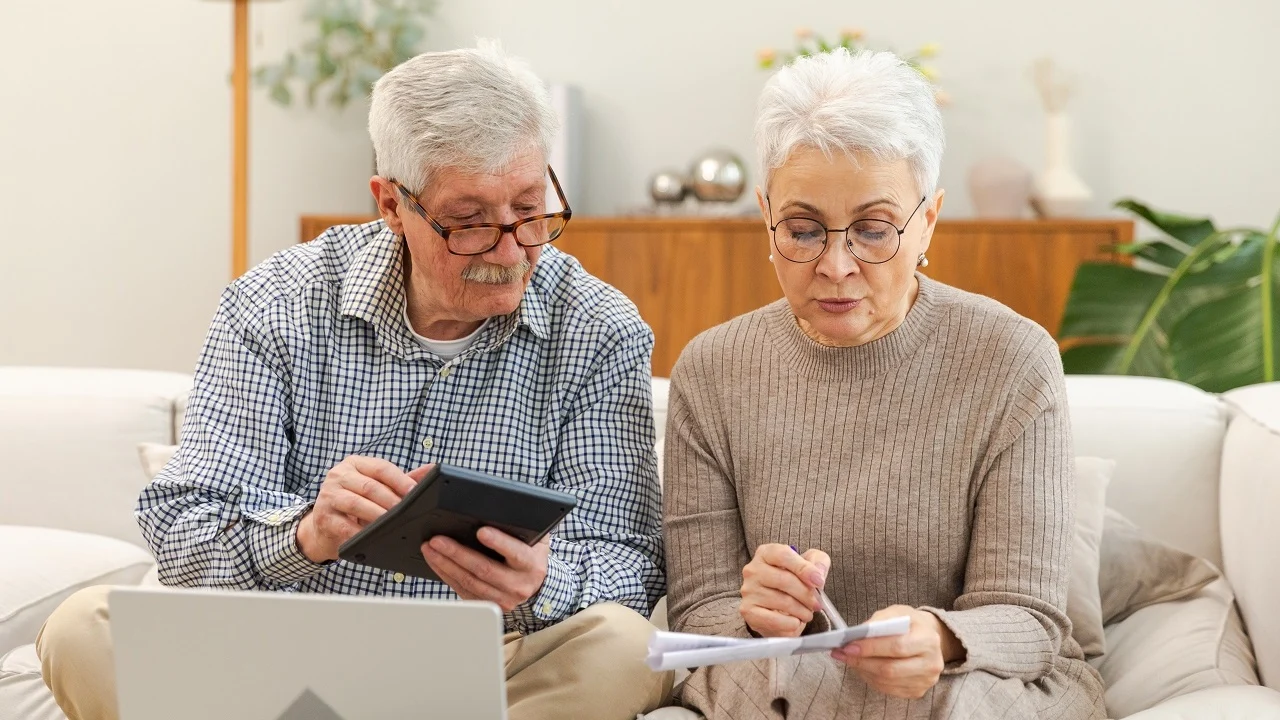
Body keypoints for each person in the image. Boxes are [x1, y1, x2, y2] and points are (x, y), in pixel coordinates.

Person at [36, 42, 672, 720]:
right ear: (391, 205)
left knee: (626, 648)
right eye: (469, 223)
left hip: (495, 664)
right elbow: (182, 530)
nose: (512, 250)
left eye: (530, 209)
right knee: (82, 630)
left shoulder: (600, 328)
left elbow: (633, 563)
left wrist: (542, 581)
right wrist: (305, 534)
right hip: (283, 654)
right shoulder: (274, 304)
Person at [662, 48, 1105, 719]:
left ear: (928, 218)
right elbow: (701, 610)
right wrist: (753, 616)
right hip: (786, 677)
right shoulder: (711, 371)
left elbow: (1029, 617)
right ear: (765, 215)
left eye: (874, 230)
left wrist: (941, 639)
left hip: (968, 680)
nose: (837, 266)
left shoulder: (1013, 358)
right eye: (803, 231)